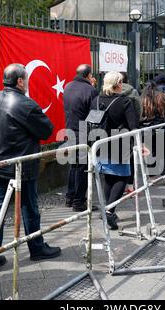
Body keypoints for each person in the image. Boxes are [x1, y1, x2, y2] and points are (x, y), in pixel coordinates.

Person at [0, 63, 60, 274]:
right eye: (26, 79)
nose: (27, 82)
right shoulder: (26, 105)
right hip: (21, 166)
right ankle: (36, 248)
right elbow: (46, 130)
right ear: (19, 81)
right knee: (29, 207)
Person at [91, 71, 140, 231]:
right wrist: (140, 143)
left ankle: (108, 209)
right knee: (123, 177)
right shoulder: (125, 101)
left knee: (109, 177)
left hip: (99, 143)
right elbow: (133, 126)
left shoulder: (96, 100)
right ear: (118, 84)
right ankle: (110, 211)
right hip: (120, 144)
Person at [63, 64, 99, 212]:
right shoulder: (91, 90)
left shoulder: (68, 86)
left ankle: (70, 197)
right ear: (89, 75)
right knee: (83, 167)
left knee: (73, 165)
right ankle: (79, 201)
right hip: (84, 131)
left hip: (70, 129)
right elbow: (95, 116)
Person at [140, 83, 165, 186]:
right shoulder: (162, 97)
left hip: (147, 129)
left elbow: (140, 114)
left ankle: (152, 177)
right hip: (162, 127)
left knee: (149, 152)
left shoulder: (143, 99)